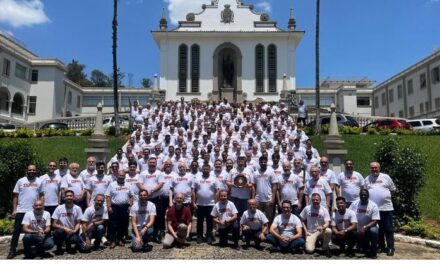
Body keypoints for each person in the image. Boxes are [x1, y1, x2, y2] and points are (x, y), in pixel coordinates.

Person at [8, 164, 44, 259]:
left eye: (33, 170)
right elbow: (15, 196)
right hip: (21, 210)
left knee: (35, 230)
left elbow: (41, 195)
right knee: (16, 231)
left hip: (34, 210)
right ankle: (12, 250)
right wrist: (14, 209)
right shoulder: (20, 181)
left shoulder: (40, 181)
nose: (31, 171)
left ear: (36, 171)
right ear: (27, 170)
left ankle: (37, 248)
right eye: (30, 170)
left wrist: (41, 206)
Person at [364, 161, 396, 256]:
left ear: (379, 168)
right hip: (374, 210)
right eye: (372, 168)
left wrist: (385, 198)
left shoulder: (386, 177)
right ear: (370, 168)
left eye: (376, 168)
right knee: (379, 229)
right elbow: (365, 192)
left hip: (386, 208)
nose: (374, 169)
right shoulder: (367, 179)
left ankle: (390, 248)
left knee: (388, 229)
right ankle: (381, 246)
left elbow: (393, 190)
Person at [349, 189, 380, 259]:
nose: (363, 196)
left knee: (374, 231)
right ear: (359, 196)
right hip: (356, 228)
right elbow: (349, 215)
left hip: (368, 229)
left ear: (368, 196)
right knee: (350, 231)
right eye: (361, 195)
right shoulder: (354, 204)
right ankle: (350, 249)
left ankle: (373, 251)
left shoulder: (373, 205)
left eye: (365, 195)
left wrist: (365, 227)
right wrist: (353, 226)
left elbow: (375, 220)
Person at [106, 170, 133, 249]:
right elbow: (108, 196)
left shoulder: (128, 185)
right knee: (113, 225)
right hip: (115, 207)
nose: (121, 177)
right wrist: (109, 207)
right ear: (117, 176)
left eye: (122, 175)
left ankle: (120, 239)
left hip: (125, 207)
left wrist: (130, 205)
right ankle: (113, 241)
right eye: (120, 175)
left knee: (123, 224)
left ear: (125, 176)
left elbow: (131, 196)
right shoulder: (112, 184)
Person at [192, 164, 218, 244]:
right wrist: (193, 202)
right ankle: (199, 236)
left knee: (209, 221)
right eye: (204, 169)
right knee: (199, 221)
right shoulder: (197, 178)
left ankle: (209, 236)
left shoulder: (214, 178)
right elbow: (193, 191)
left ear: (210, 170)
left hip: (211, 204)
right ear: (202, 169)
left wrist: (216, 203)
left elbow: (217, 191)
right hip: (199, 204)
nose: (206, 170)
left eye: (207, 169)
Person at [52, 190, 83, 255]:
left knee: (74, 239)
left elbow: (78, 223)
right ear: (64, 197)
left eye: (71, 196)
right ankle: (59, 247)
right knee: (58, 232)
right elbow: (54, 224)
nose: (69, 197)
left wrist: (74, 231)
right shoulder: (59, 208)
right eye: (67, 196)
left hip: (72, 231)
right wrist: (65, 228)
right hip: (61, 230)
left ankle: (68, 245)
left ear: (73, 197)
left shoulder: (78, 208)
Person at [252, 156, 278, 224]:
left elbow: (274, 186)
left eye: (264, 162)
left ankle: (269, 232)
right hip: (258, 200)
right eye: (261, 162)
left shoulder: (271, 172)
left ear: (266, 163)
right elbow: (253, 187)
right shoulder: (255, 173)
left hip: (268, 200)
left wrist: (272, 199)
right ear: (259, 163)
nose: (263, 163)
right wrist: (253, 199)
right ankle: (260, 232)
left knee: (269, 218)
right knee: (258, 218)